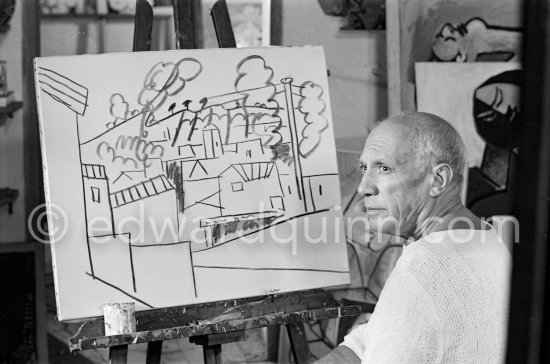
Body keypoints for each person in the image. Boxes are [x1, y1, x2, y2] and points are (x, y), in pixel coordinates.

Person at [317, 112, 511, 363]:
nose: (363, 187)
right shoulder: (487, 238)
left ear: (438, 180)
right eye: (365, 168)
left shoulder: (424, 264)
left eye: (384, 168)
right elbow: (376, 334)